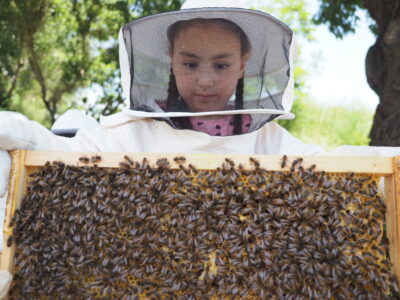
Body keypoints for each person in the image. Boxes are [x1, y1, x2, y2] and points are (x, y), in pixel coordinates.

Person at [0, 0, 399, 295]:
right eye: (190, 64)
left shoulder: (271, 141)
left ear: (244, 63)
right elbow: (67, 155)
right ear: (171, 60)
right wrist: (32, 142)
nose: (205, 80)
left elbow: (336, 170)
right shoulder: (130, 134)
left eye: (221, 65)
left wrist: (390, 165)